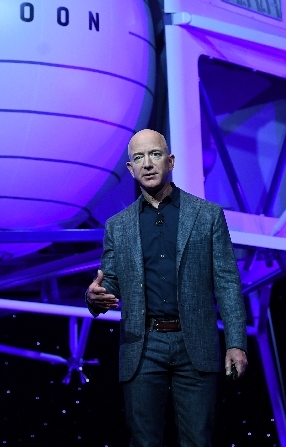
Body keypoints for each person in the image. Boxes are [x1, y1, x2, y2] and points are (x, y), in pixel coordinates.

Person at [86, 129, 248, 447]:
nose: (147, 163)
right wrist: (94, 297)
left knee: (197, 441)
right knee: (144, 441)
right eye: (139, 158)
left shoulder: (207, 216)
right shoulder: (117, 226)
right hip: (143, 345)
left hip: (195, 342)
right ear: (131, 169)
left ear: (170, 161)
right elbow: (110, 281)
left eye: (155, 154)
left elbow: (228, 282)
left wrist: (236, 343)